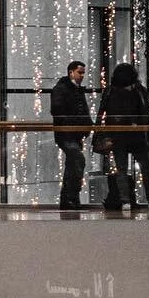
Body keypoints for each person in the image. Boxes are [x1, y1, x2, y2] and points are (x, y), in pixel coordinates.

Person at [95, 62, 149, 211]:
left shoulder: (111, 91)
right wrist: (147, 134)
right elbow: (145, 113)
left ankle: (125, 200)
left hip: (118, 135)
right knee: (145, 167)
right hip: (136, 135)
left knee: (122, 168)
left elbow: (102, 113)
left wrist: (101, 134)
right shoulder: (139, 90)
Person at [50, 60, 93, 210]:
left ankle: (69, 198)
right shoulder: (61, 89)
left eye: (83, 73)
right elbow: (56, 110)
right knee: (77, 160)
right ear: (71, 72)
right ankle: (70, 197)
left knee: (73, 164)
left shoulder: (76, 90)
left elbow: (84, 110)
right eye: (79, 72)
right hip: (66, 134)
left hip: (75, 134)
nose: (82, 76)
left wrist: (87, 126)